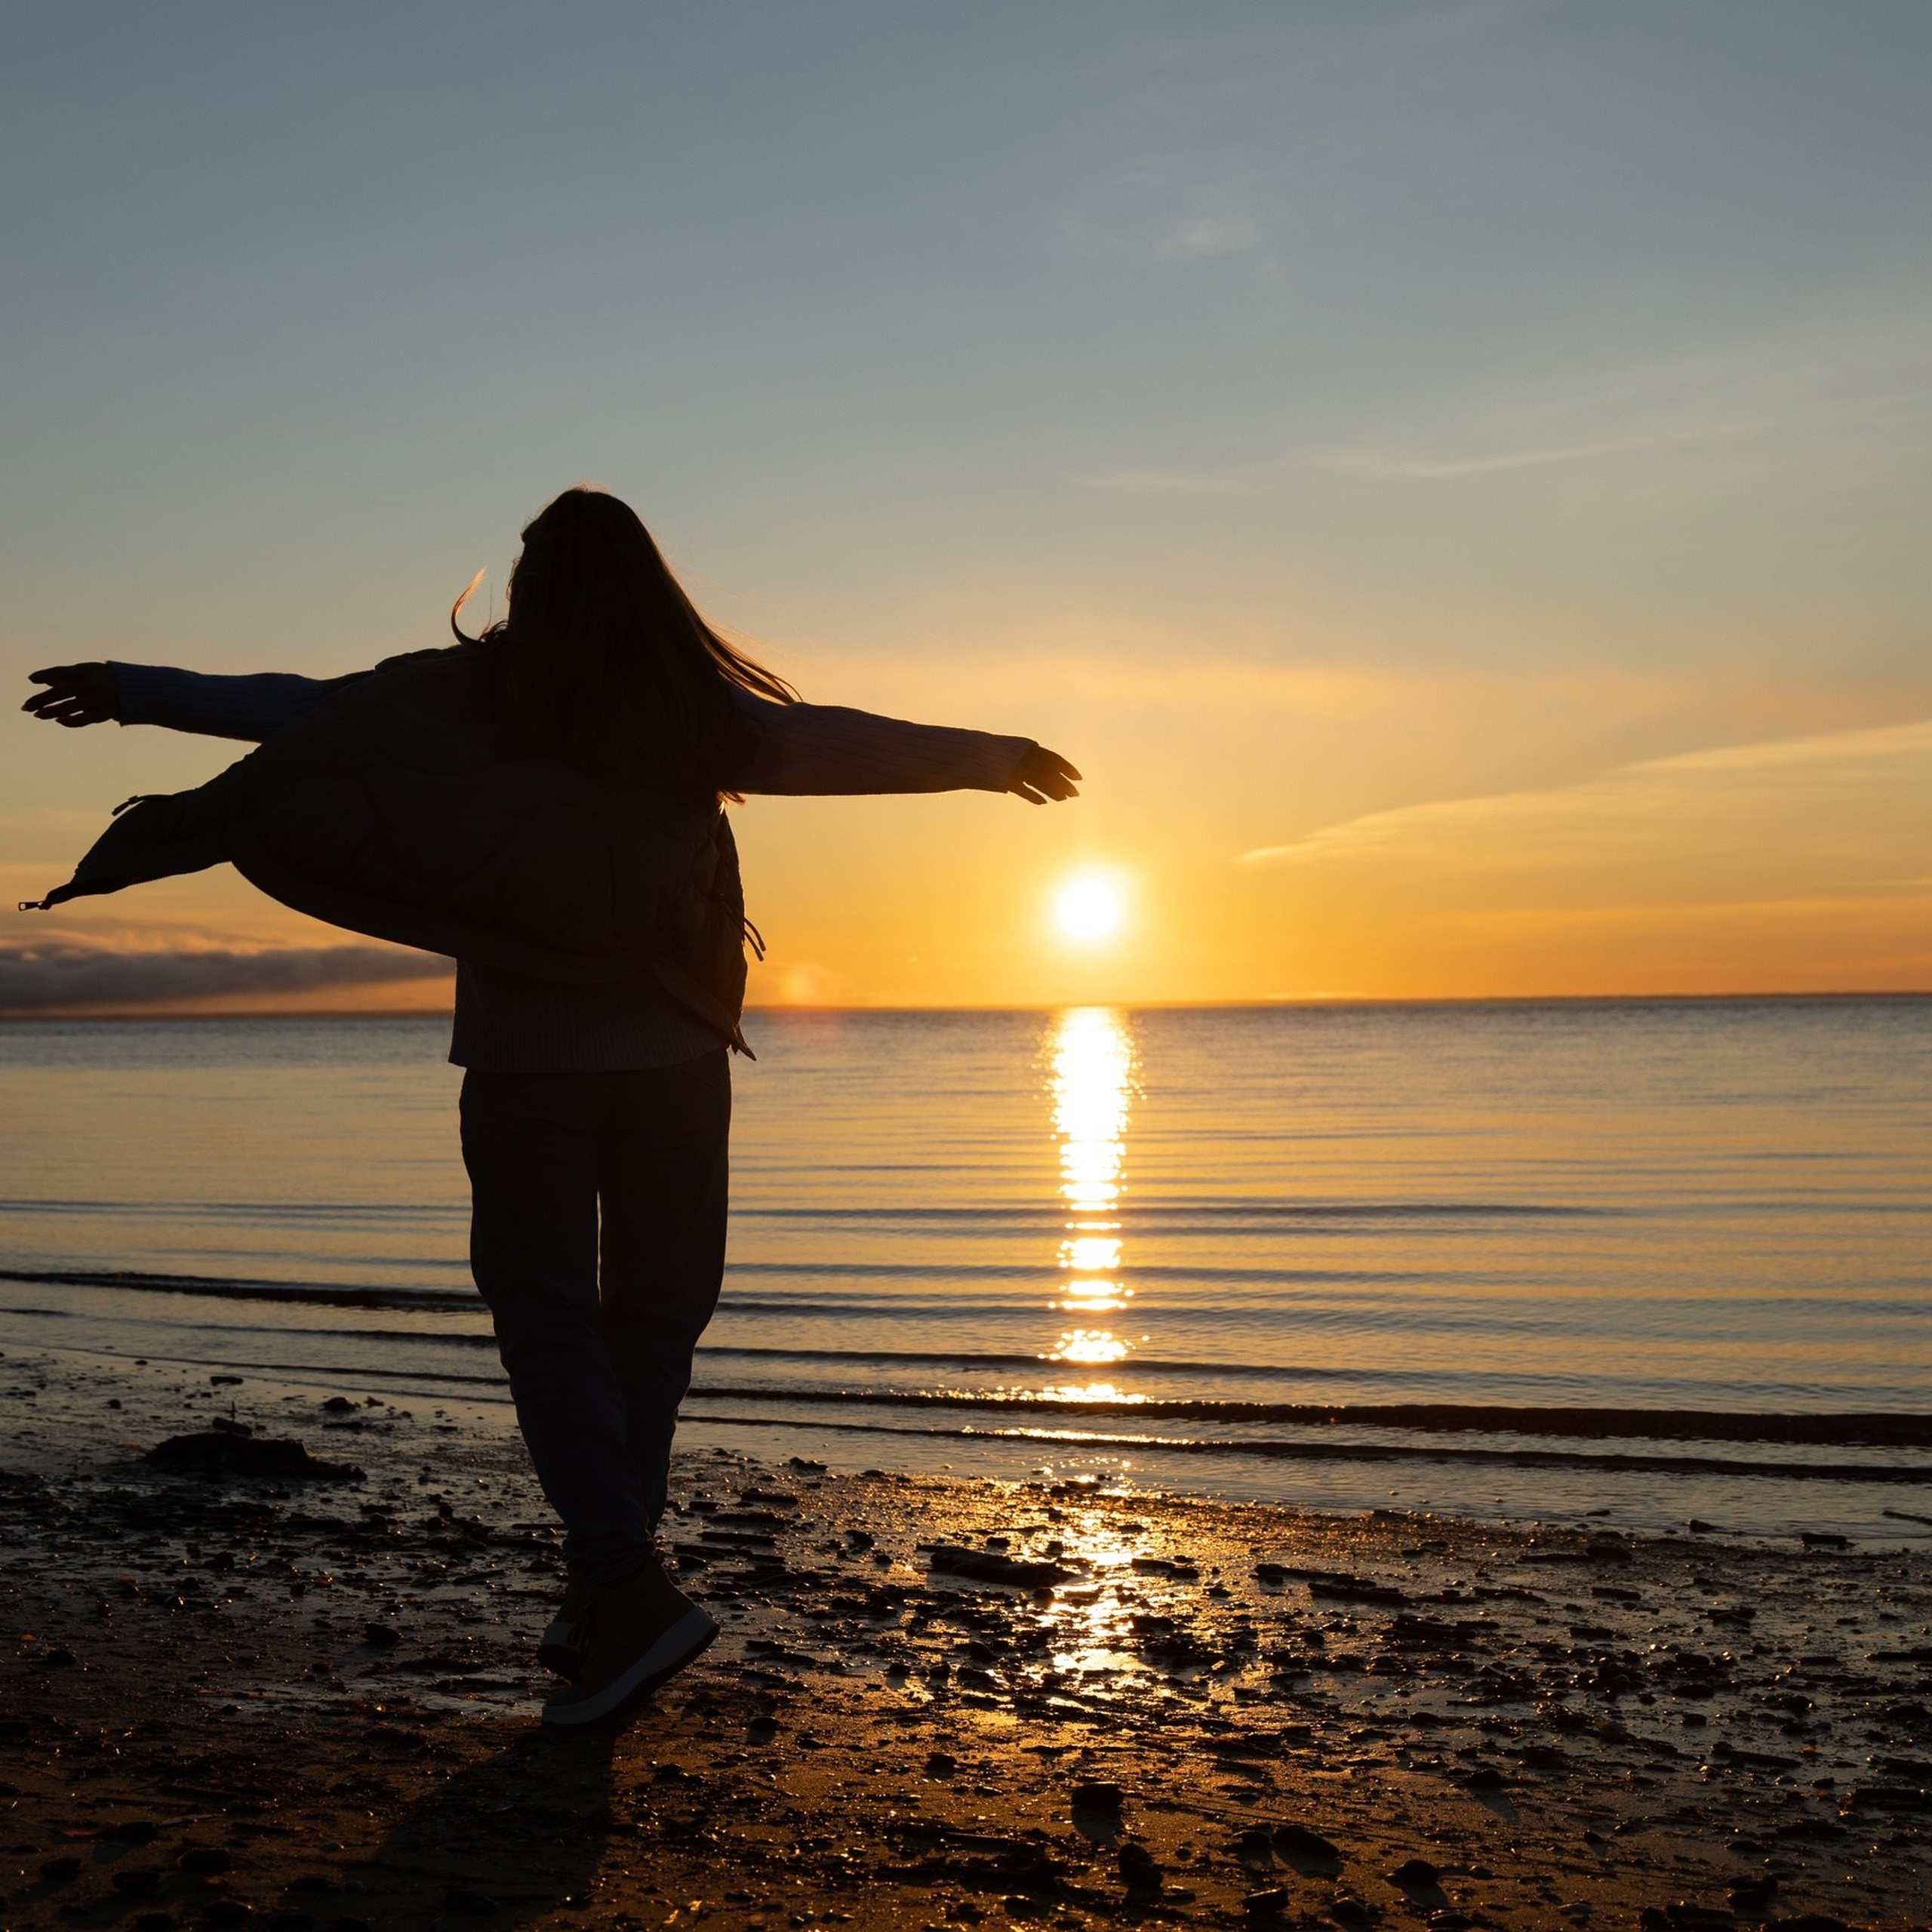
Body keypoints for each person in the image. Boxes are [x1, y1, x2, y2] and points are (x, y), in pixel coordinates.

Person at [23, 485, 1080, 1728]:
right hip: (676, 1059)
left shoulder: (466, 696)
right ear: (648, 589)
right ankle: (611, 1592)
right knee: (651, 1329)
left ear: (533, 587)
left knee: (549, 1325)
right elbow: (826, 743)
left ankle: (619, 1585)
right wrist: (992, 758)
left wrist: (131, 687)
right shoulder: (688, 716)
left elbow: (302, 708)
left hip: (529, 1066)